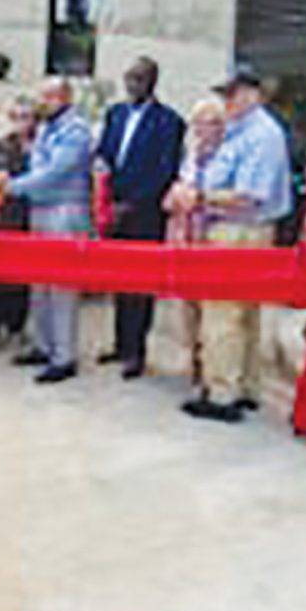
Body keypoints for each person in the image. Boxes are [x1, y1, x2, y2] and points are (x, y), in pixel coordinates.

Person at [181, 67, 292, 423]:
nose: (226, 101)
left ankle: (222, 395)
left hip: (237, 230)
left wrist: (198, 197)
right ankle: (244, 388)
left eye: (232, 94)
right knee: (242, 315)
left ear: (252, 94)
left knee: (223, 315)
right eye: (225, 94)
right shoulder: (246, 131)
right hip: (240, 230)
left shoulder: (261, 134)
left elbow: (248, 196)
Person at [0, 77, 91, 383]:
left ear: (64, 97)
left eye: (47, 96)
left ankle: (64, 357)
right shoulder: (47, 128)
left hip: (64, 212)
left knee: (61, 287)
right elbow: (35, 168)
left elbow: (53, 173)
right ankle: (44, 346)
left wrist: (10, 187)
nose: (41, 102)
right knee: (39, 286)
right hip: (40, 210)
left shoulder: (76, 130)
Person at [94, 57, 185, 378]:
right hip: (114, 209)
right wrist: (105, 191)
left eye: (139, 79)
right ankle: (120, 343)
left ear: (152, 82)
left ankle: (137, 351)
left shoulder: (169, 121)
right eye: (129, 77)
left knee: (140, 285)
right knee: (118, 280)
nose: (132, 84)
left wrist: (131, 204)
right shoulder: (115, 114)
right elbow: (105, 153)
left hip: (144, 214)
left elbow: (164, 171)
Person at [163, 97, 226, 397]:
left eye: (212, 123)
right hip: (185, 235)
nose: (204, 129)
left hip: (212, 236)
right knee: (187, 306)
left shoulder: (227, 155)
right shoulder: (192, 153)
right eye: (199, 122)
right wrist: (176, 194)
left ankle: (211, 370)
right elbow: (180, 184)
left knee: (210, 308)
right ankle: (193, 361)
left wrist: (196, 197)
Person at [0, 97, 37, 348]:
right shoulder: (3, 145)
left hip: (34, 214)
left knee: (24, 276)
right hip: (7, 214)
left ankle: (17, 325)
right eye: (17, 117)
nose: (22, 122)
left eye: (27, 117)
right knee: (1, 273)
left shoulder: (42, 145)